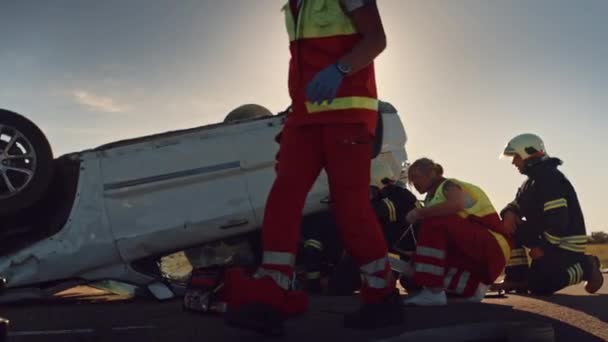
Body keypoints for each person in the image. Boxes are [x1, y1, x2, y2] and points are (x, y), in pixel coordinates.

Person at [224, 0, 401, 336]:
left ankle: (383, 297)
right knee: (283, 197)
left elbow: (376, 39)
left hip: (347, 114)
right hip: (305, 117)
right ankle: (271, 295)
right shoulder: (295, 4)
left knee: (350, 206)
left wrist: (341, 70)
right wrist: (296, 114)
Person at [490, 133, 604, 295]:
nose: (513, 162)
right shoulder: (531, 182)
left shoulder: (550, 179)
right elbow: (518, 204)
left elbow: (558, 220)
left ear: (528, 154)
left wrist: (543, 248)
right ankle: (516, 277)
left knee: (540, 285)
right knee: (507, 226)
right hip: (546, 236)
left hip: (564, 243)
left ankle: (586, 265)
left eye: (516, 156)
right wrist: (509, 212)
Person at [401, 158, 512, 306]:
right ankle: (472, 288)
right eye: (411, 180)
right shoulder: (432, 197)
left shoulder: (449, 185)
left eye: (416, 177)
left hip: (492, 245)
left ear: (432, 173)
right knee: (416, 268)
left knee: (433, 221)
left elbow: (456, 204)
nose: (414, 183)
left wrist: (419, 213)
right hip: (488, 254)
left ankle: (433, 292)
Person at [300, 159, 420, 295]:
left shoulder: (398, 196)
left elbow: (375, 212)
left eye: (368, 188)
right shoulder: (388, 195)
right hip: (393, 255)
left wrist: (346, 203)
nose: (365, 192)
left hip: (403, 257)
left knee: (337, 286)